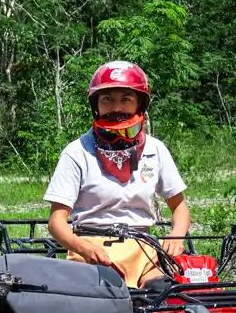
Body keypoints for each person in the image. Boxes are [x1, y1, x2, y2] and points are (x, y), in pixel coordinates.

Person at [45, 61, 191, 287]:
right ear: (96, 104)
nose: (116, 108)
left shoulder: (155, 150)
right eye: (107, 99)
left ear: (139, 104)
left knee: (162, 294)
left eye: (126, 99)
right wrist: (82, 247)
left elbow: (179, 206)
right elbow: (56, 222)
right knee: (108, 296)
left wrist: (176, 235)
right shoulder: (77, 152)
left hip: (144, 249)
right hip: (92, 249)